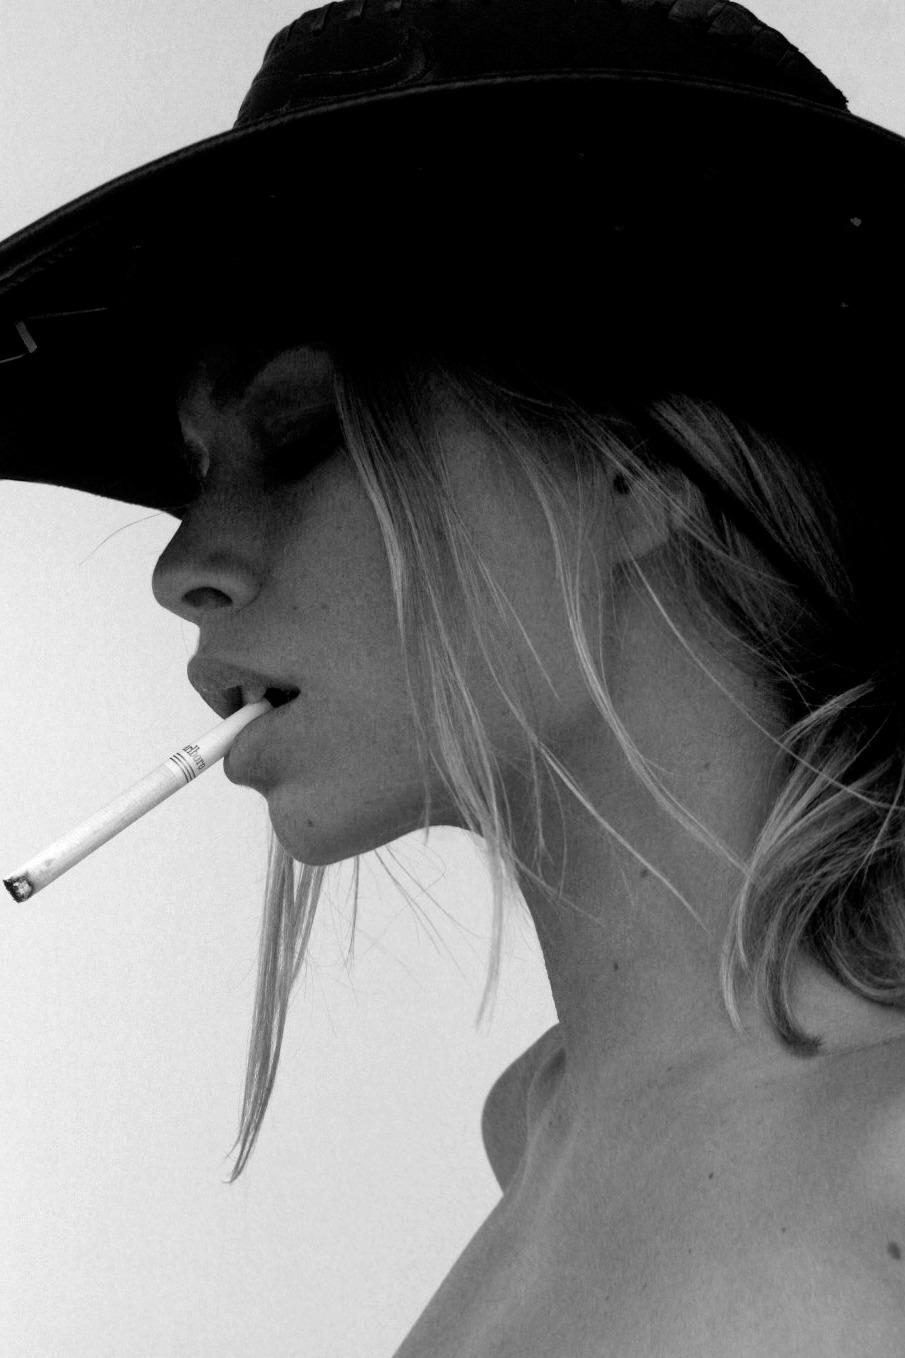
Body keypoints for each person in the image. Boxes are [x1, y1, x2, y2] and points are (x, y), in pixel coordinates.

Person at [2, 1, 905, 1352]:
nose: (183, 565)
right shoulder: (538, 1131)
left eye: (300, 434)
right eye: (194, 475)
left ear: (632, 464)